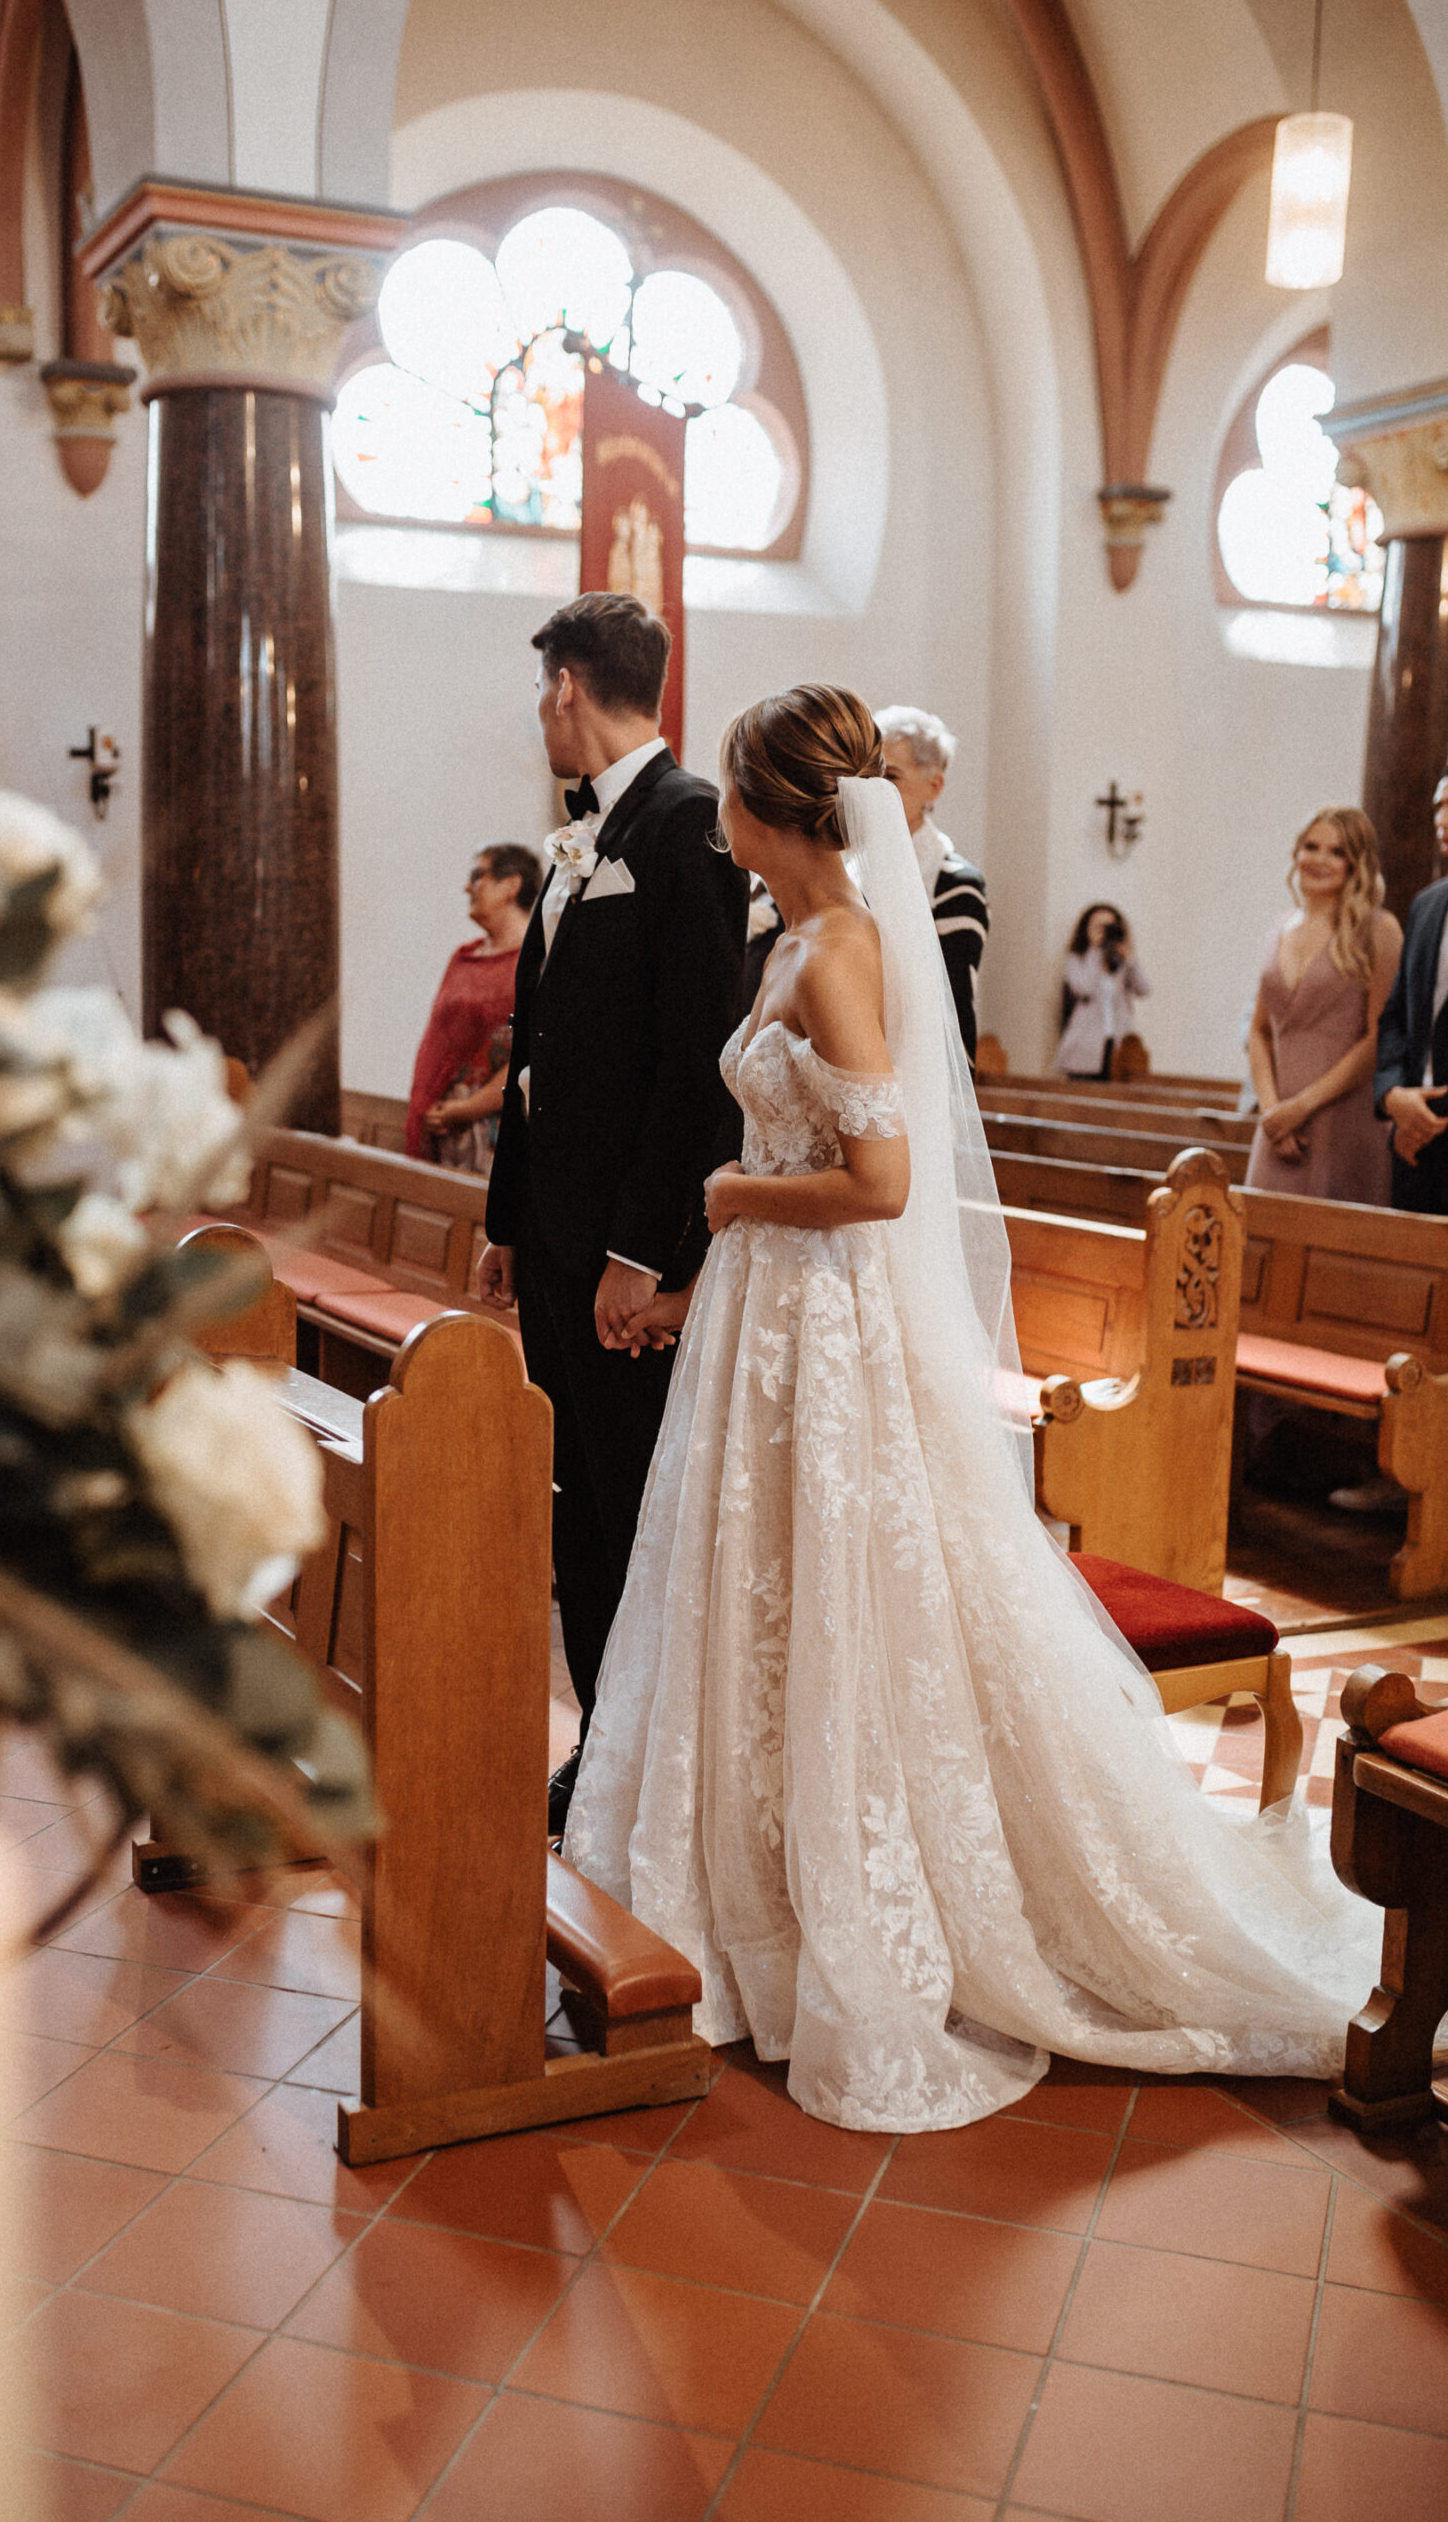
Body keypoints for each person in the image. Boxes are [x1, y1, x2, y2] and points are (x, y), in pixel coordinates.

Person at [565, 683, 1378, 2134]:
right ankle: (746, 1892)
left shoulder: (835, 955)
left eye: (731, 805)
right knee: (760, 1599)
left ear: (764, 808)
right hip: (768, 1317)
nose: (719, 828)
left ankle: (841, 1907)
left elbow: (875, 1190)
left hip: (822, 1317)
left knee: (836, 1603)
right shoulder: (796, 937)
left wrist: (728, 1198)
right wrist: (708, 1279)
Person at [479, 592, 747, 1832]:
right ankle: (600, 1742)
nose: (539, 711)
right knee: (580, 1506)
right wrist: (503, 1219)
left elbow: (698, 1060)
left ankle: (645, 1758)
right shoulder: (581, 837)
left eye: (543, 688)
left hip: (621, 1260)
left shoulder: (689, 826)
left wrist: (645, 1250)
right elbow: (537, 1049)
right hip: (553, 1240)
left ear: (570, 685)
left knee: (634, 1507)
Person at [1244, 807, 1401, 1203]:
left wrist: (1302, 1107)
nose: (1319, 860)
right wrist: (1271, 1112)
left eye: (1337, 851)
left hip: (1343, 1115)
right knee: (1260, 1238)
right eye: (1311, 847)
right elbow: (1260, 1030)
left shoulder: (1378, 929)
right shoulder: (1280, 929)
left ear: (1356, 863)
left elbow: (1378, 1036)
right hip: (1278, 1124)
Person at [404, 843, 541, 1168]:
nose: (468, 887)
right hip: (437, 1119)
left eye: (478, 876)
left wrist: (466, 1109)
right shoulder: (464, 957)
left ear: (511, 886)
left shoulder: (538, 962)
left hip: (493, 1126)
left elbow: (532, 1054)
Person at [874, 705, 987, 1062]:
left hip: (913, 1063)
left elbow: (954, 1004)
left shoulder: (955, 884)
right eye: (867, 775)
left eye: (890, 776)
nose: (874, 789)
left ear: (933, 786)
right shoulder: (844, 864)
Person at [1374, 775, 1448, 1215]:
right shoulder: (1426, 906)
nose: (1442, 819)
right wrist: (1393, 1097)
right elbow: (1397, 1018)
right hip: (1414, 1143)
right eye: (1439, 807)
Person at [1053, 904, 1149, 1078]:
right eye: (1099, 927)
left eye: (1110, 927)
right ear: (1087, 929)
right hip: (1086, 1043)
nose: (1105, 932)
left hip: (1118, 1041)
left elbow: (1143, 990)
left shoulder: (1122, 961)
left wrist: (1129, 958)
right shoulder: (1076, 958)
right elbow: (1083, 989)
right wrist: (1095, 951)